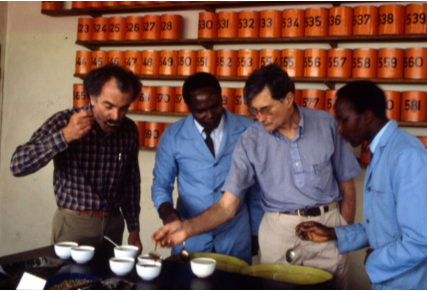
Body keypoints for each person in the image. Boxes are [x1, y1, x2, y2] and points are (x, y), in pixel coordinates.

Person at [152, 65, 362, 289]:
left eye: (266, 109)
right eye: (254, 111)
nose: (260, 118)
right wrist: (186, 229)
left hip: (328, 230)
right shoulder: (250, 139)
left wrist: (343, 232)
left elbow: (347, 187)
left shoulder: (326, 124)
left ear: (288, 99)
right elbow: (226, 206)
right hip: (279, 233)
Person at [296, 81, 427, 290]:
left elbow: (421, 241)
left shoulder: (407, 156)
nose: (339, 129)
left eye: (344, 120)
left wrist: (374, 261)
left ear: (367, 117)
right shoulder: (379, 152)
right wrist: (334, 234)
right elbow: (382, 226)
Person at [10, 65, 143, 256]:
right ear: (92, 98)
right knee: (67, 282)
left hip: (114, 225)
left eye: (123, 108)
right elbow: (17, 165)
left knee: (110, 284)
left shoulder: (129, 130)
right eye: (109, 106)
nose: (116, 116)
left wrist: (134, 229)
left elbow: (131, 183)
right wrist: (65, 136)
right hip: (74, 225)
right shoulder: (64, 121)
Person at [151, 73, 263, 264]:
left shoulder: (248, 130)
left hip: (234, 237)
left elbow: (255, 190)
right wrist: (167, 212)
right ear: (189, 107)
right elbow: (161, 184)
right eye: (201, 111)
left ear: (222, 98)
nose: (210, 115)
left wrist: (254, 233)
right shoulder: (172, 136)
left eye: (215, 106)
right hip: (189, 239)